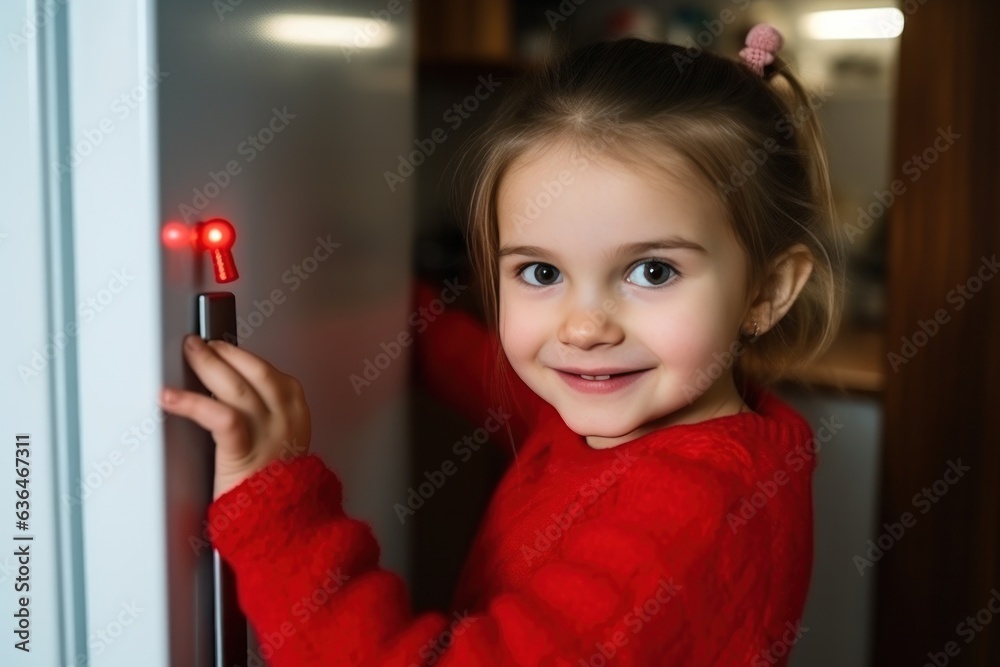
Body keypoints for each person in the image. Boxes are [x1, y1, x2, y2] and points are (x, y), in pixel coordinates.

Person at [159, 24, 843, 666]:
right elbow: (509, 394)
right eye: (542, 272)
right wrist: (383, 310)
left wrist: (278, 504)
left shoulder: (690, 512)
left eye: (652, 271)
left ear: (768, 291)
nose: (583, 328)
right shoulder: (640, 410)